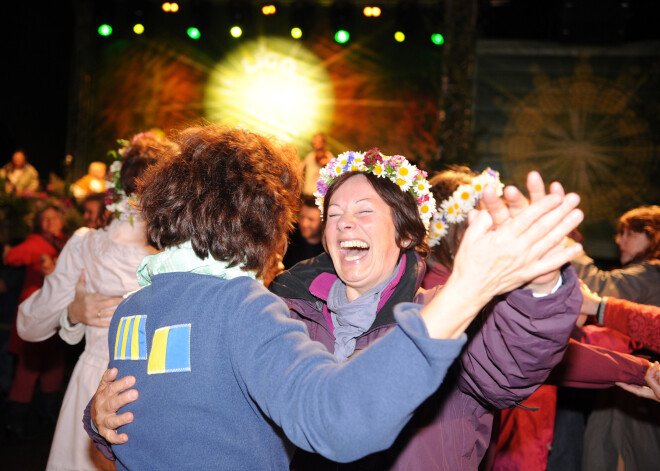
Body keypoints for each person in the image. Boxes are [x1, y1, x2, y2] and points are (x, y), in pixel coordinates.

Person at [84, 126, 585, 470]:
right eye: (334, 212)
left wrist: (535, 289)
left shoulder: (442, 307)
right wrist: (98, 417)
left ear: (406, 233)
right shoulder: (273, 303)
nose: (343, 222)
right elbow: (324, 417)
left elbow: (509, 371)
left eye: (365, 211)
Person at [423, 165, 655, 471]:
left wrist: (638, 370)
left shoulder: (467, 289)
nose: (497, 226)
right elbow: (532, 357)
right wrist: (638, 370)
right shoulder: (441, 295)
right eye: (484, 216)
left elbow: (543, 352)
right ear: (455, 229)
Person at [15, 132, 172, 470]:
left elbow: (27, 324)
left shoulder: (91, 246)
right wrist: (72, 313)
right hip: (148, 392)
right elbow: (29, 327)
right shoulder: (172, 257)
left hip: (99, 383)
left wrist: (71, 315)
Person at [572, 204, 660, 471]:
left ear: (654, 237)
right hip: (634, 391)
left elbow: (598, 286)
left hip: (643, 397)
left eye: (630, 234)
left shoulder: (651, 274)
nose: (619, 241)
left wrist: (564, 244)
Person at [3, 203, 68, 439]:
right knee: (28, 366)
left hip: (57, 310)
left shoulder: (68, 243)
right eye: (45, 218)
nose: (49, 222)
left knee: (54, 364)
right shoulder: (36, 243)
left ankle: (46, 418)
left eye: (54, 217)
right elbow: (13, 256)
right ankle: (16, 422)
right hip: (37, 310)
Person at [282, 194, 324, 269]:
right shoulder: (289, 234)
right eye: (302, 216)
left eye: (311, 219)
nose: (304, 223)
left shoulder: (327, 247)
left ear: (322, 222)